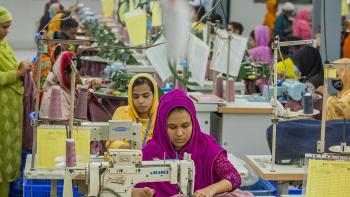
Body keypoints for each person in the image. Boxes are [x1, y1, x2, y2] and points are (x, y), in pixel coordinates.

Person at [133, 89, 241, 197]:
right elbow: (124, 183)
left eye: (185, 126)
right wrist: (136, 193)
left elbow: (234, 177)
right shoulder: (150, 151)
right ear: (162, 126)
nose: (179, 133)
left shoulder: (207, 147)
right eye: (172, 127)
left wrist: (210, 190)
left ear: (193, 123)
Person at [0, 6, 32, 195]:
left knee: (8, 157)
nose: (7, 31)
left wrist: (20, 67)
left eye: (8, 27)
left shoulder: (3, 45)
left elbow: (10, 68)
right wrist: (17, 73)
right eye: (4, 27)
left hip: (9, 117)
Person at [107, 73, 159, 149]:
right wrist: (130, 148)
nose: (141, 101)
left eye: (146, 96)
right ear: (130, 97)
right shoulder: (122, 113)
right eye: (135, 97)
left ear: (154, 95)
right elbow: (112, 142)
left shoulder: (161, 115)